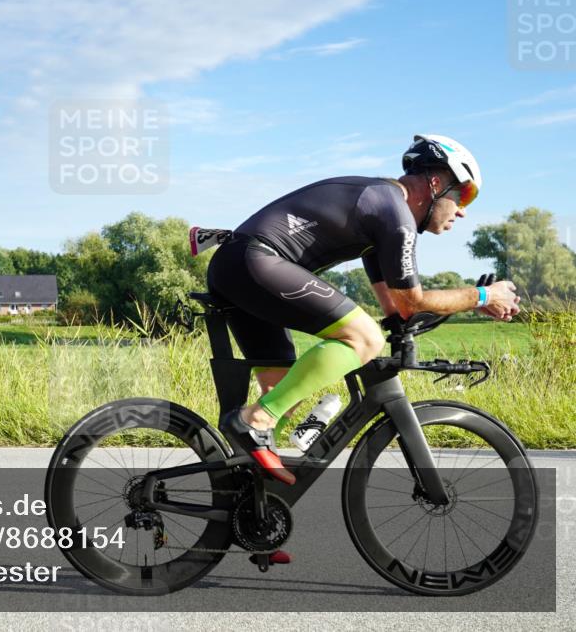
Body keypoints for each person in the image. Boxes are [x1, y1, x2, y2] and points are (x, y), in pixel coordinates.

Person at [206, 134, 521, 485]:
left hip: (238, 268)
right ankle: (255, 422)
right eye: (463, 194)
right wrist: (482, 295)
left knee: (281, 392)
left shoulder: (381, 216)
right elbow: (411, 300)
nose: (462, 210)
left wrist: (471, 303)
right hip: (254, 263)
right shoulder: (393, 212)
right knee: (364, 337)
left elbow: (399, 310)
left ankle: (250, 516)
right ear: (436, 183)